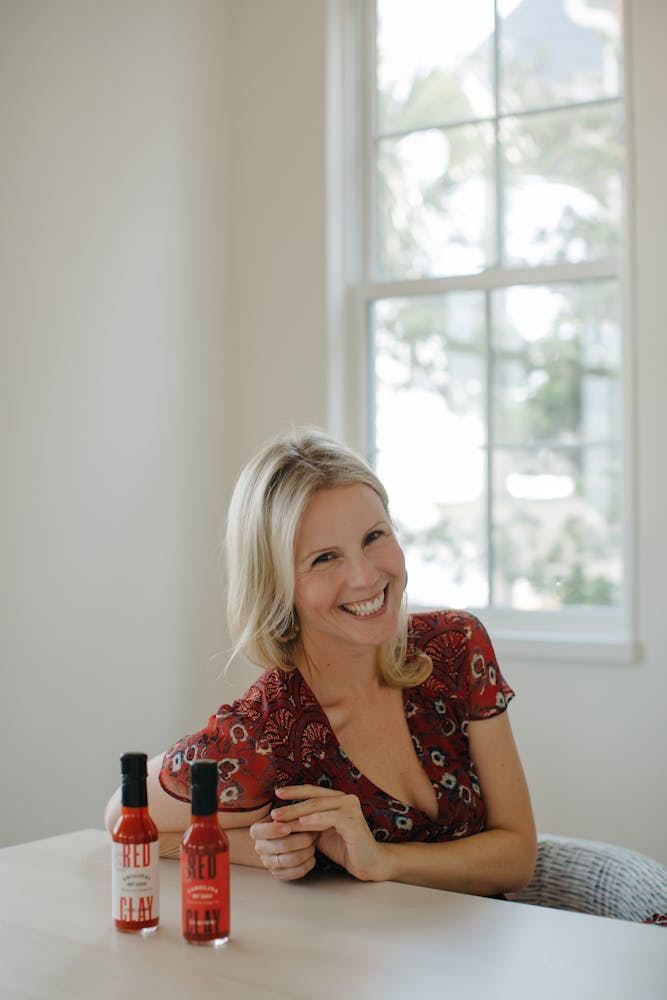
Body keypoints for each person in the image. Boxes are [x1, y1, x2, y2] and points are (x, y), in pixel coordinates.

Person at [105, 427, 536, 895]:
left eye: (375, 536)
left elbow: (516, 857)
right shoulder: (269, 730)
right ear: (277, 586)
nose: (366, 576)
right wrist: (263, 849)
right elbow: (122, 817)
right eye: (325, 557)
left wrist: (382, 859)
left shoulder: (455, 647)